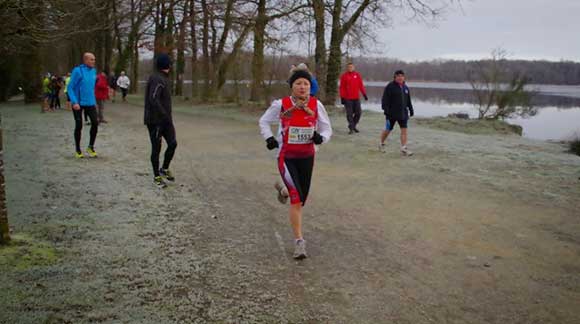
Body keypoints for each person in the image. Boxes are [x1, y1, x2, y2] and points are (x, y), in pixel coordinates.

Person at [259, 66, 332, 260]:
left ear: (310, 87)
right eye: (298, 83)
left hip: (307, 157)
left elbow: (327, 129)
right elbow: (264, 121)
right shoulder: (281, 105)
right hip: (286, 157)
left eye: (306, 84)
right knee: (296, 199)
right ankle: (300, 242)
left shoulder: (317, 105)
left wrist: (320, 138)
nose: (302, 87)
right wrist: (269, 138)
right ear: (292, 86)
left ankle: (283, 190)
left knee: (301, 198)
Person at [144, 54, 177, 188]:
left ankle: (164, 168)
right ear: (167, 65)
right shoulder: (157, 78)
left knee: (173, 143)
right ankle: (156, 176)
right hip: (155, 120)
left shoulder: (164, 78)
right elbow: (153, 98)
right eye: (170, 63)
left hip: (166, 120)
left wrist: (167, 117)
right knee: (156, 149)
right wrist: (163, 114)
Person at [67, 52, 99, 159]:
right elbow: (70, 87)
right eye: (91, 59)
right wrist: (74, 102)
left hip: (90, 102)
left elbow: (91, 88)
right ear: (85, 60)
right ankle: (78, 149)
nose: (93, 61)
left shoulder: (94, 71)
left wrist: (94, 101)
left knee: (95, 122)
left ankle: (90, 146)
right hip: (78, 103)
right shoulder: (78, 71)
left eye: (94, 59)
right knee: (79, 125)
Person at [379, 70, 414, 156]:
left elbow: (408, 100)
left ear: (404, 77)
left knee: (404, 131)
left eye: (402, 76)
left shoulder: (405, 87)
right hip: (391, 113)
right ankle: (381, 143)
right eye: (398, 76)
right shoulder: (390, 86)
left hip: (403, 113)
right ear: (395, 77)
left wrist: (411, 109)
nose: (400, 77)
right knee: (388, 130)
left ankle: (404, 148)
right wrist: (386, 111)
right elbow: (384, 100)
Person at [339, 62, 368, 134]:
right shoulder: (344, 76)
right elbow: (341, 88)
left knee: (358, 113)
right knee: (349, 114)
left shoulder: (357, 75)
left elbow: (361, 85)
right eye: (349, 67)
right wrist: (342, 97)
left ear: (354, 68)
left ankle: (353, 125)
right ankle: (351, 129)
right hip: (347, 98)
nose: (350, 68)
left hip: (356, 98)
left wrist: (364, 94)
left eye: (351, 67)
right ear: (347, 68)